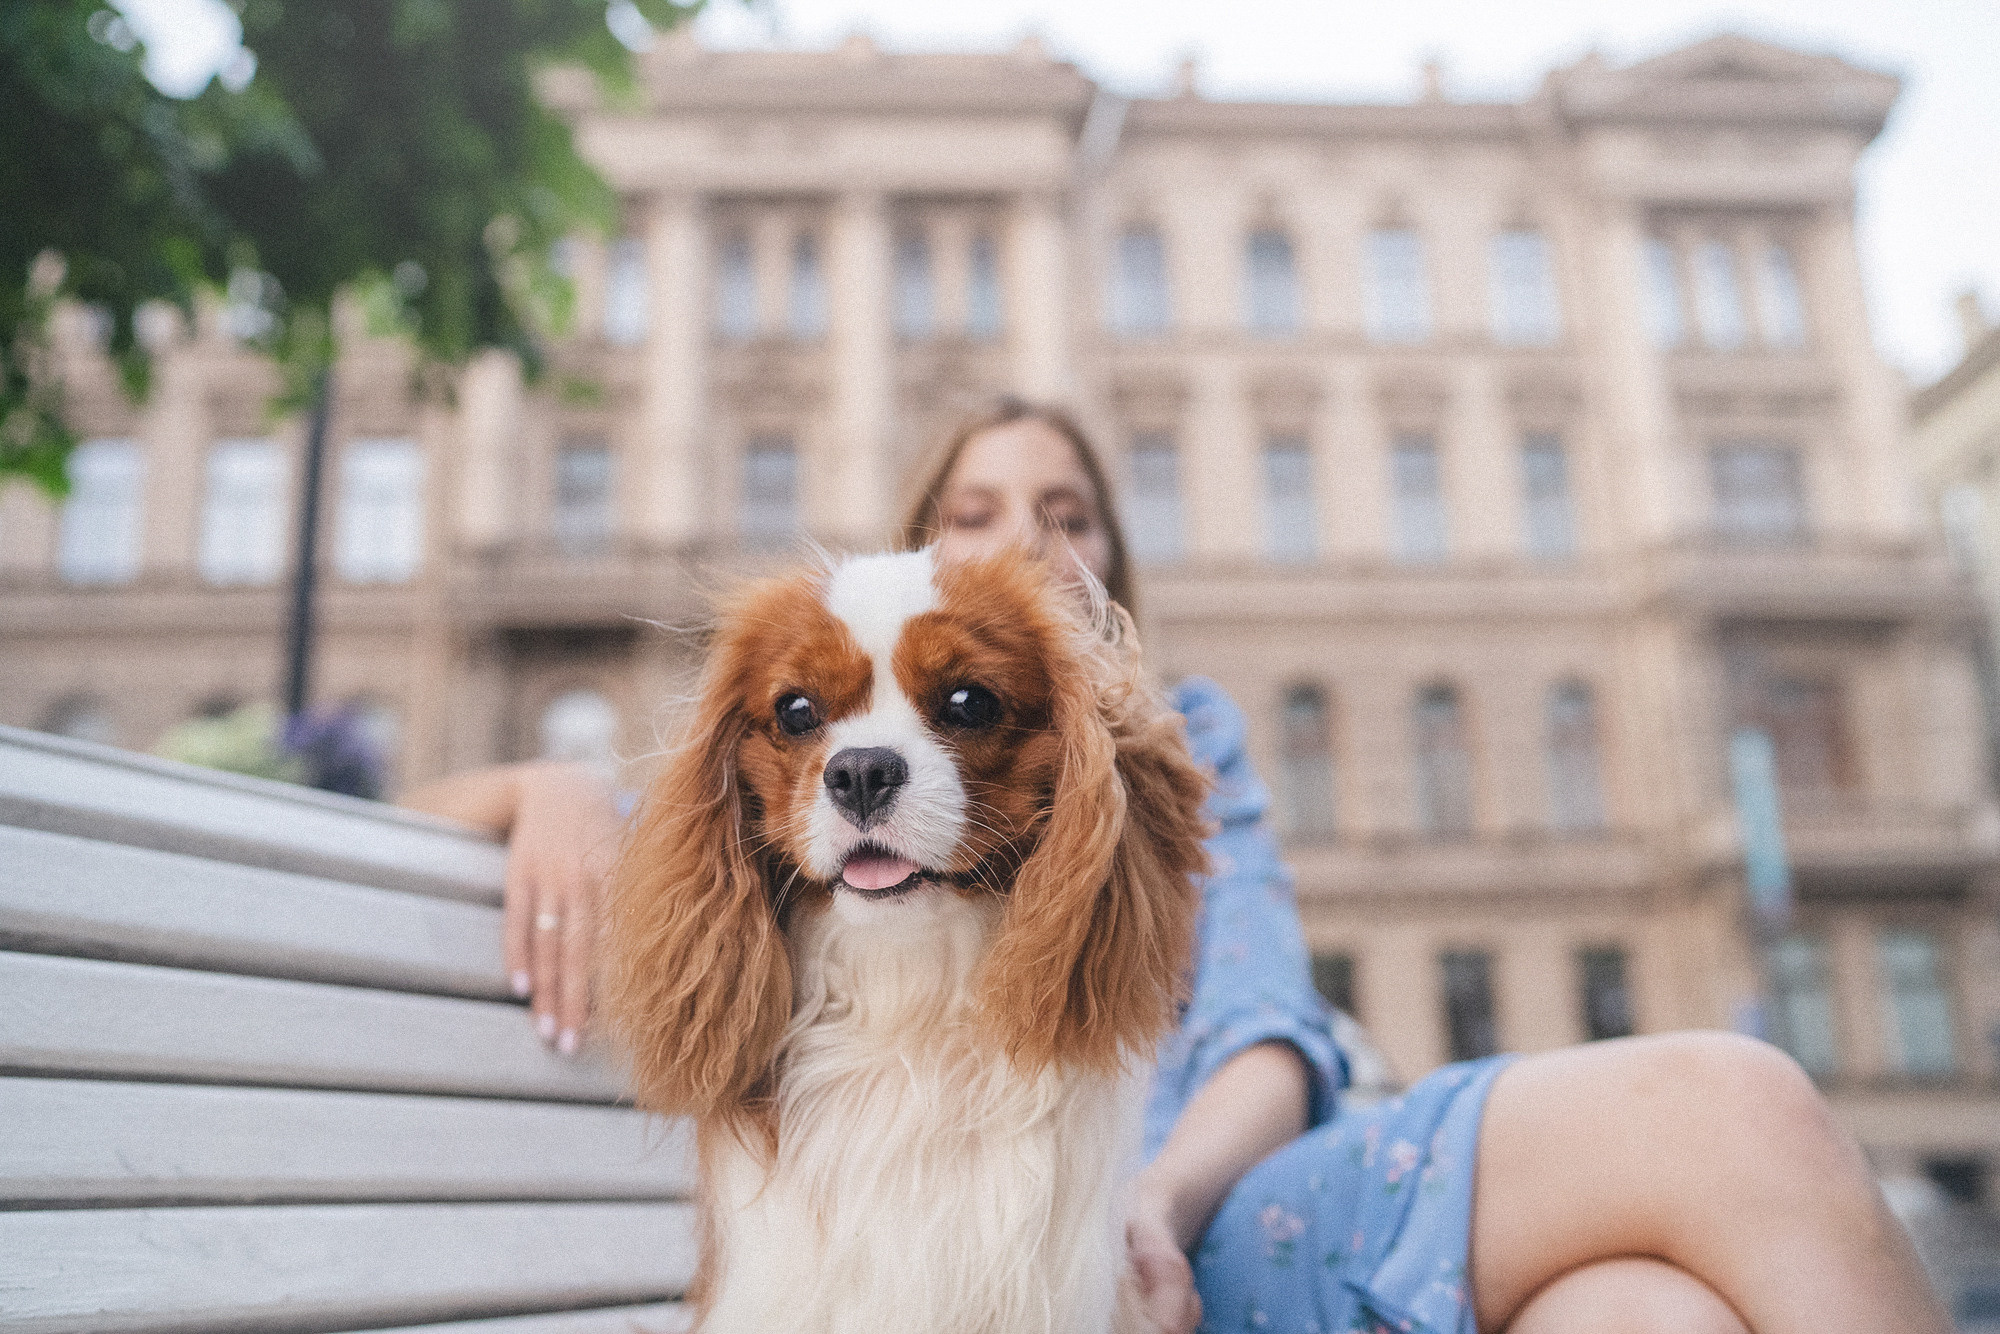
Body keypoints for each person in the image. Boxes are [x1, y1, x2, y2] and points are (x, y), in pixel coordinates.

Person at [404, 399, 1948, 1334]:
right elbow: (680, 811)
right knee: (1643, 1313)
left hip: (1223, 1204)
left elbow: (1269, 1020)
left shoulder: (1186, 732)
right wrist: (550, 781)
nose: (1030, 536)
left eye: (1067, 513)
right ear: (917, 558)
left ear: (1112, 565)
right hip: (1017, 1252)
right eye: (978, 513)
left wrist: (1150, 1197)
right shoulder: (821, 751)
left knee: (1739, 1104)